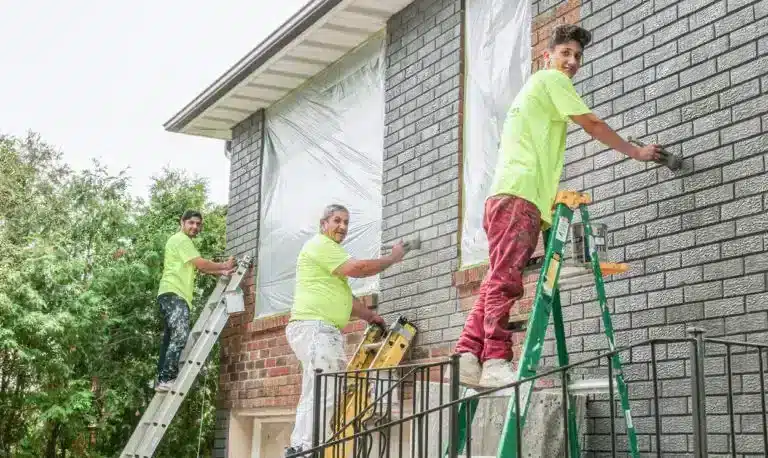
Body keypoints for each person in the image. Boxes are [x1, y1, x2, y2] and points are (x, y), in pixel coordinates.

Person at [453, 23, 662, 388]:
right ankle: (496, 360)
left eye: (578, 56)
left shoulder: (536, 91)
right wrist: (636, 152)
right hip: (520, 197)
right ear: (546, 56)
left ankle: (468, 355)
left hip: (509, 196)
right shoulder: (551, 81)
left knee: (494, 279)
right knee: (505, 281)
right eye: (565, 53)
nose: (572, 62)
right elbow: (593, 125)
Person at [284, 204, 406, 457]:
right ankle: (312, 449)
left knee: (314, 390)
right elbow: (359, 269)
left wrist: (370, 316)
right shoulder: (321, 245)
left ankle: (301, 446)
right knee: (326, 389)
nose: (342, 226)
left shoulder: (330, 257)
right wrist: (393, 258)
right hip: (317, 329)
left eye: (346, 222)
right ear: (323, 224)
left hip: (313, 329)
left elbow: (345, 300)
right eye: (337, 220)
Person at [155, 210, 236, 392]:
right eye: (191, 223)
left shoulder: (183, 243)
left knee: (170, 338)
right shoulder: (181, 240)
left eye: (198, 224)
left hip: (171, 293)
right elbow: (201, 264)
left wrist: (220, 272)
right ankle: (167, 378)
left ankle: (161, 379)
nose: (195, 227)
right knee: (180, 333)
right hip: (174, 293)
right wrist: (224, 265)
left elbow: (199, 268)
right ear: (182, 222)